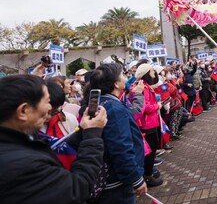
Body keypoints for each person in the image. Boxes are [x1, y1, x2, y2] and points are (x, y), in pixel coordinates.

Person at [0, 74, 107, 203]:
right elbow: (78, 187)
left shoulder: (19, 141)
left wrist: (83, 130)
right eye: (47, 101)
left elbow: (55, 146)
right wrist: (93, 135)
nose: (50, 108)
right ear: (23, 110)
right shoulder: (25, 166)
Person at [88, 63, 148, 202]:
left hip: (107, 178)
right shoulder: (114, 109)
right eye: (122, 74)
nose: (126, 77)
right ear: (116, 83)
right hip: (116, 183)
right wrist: (135, 178)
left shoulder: (101, 103)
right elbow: (120, 148)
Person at [132, 64, 163, 187]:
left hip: (151, 122)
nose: (154, 73)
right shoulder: (142, 88)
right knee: (150, 151)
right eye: (151, 71)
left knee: (152, 149)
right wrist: (158, 106)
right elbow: (144, 107)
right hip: (147, 124)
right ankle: (148, 176)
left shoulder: (145, 86)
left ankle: (148, 172)